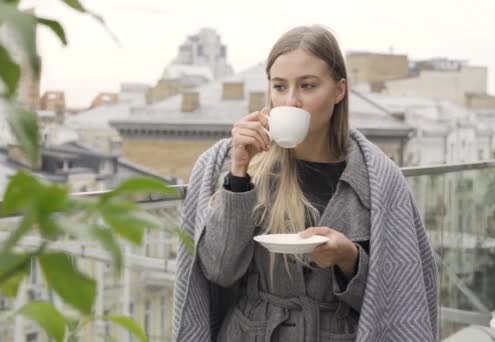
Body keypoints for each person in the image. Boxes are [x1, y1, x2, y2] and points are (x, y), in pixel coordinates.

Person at [173, 25, 438, 342]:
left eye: (308, 86)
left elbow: (396, 299)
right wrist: (239, 173)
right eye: (280, 87)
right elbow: (218, 271)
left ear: (339, 91)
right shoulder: (237, 163)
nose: (291, 101)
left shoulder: (378, 180)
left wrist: (349, 259)